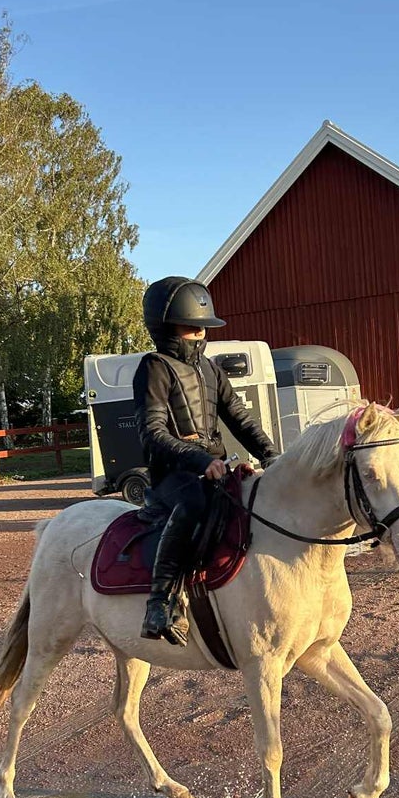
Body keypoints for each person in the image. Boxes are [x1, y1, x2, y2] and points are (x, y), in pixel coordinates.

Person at [133, 277, 278, 646]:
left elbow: (240, 419)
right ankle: (159, 603)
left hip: (211, 468)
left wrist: (272, 456)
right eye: (190, 326)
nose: (199, 333)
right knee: (195, 503)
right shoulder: (154, 367)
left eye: (202, 327)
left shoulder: (212, 370)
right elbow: (152, 432)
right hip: (174, 475)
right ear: (165, 327)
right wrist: (198, 459)